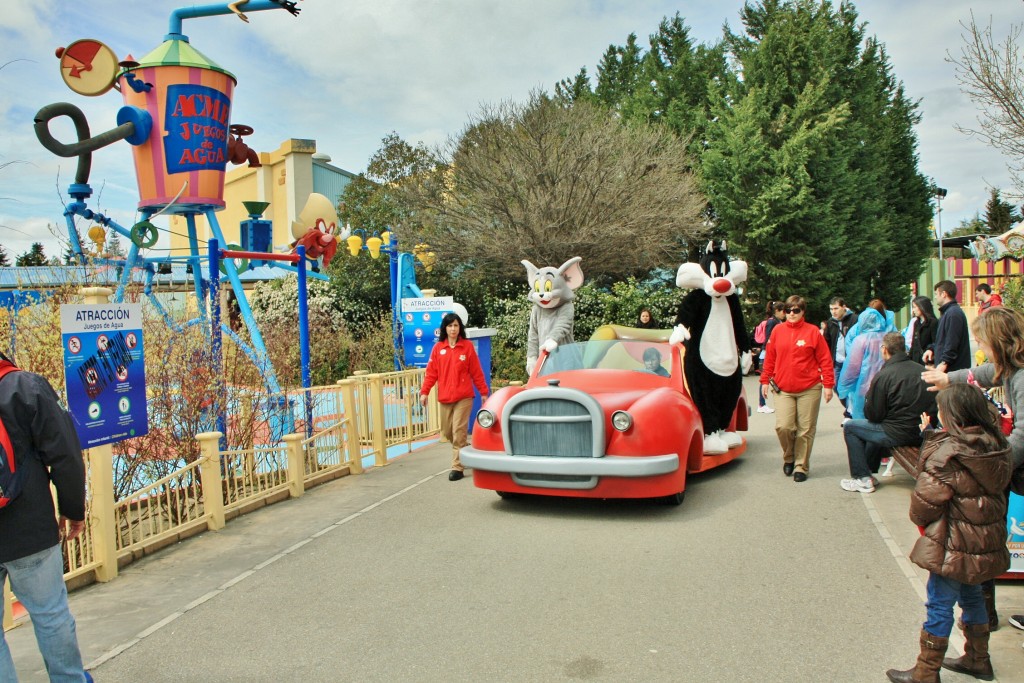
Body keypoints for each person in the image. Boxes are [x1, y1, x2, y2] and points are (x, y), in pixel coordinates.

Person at [885, 383, 1011, 683]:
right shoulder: (997, 446)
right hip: (985, 541)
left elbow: (923, 505)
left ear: (951, 414)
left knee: (939, 603)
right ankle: (978, 659)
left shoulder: (948, 454)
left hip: (952, 542)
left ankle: (926, 672)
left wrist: (930, 439)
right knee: (973, 596)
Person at [922, 306, 1024, 633]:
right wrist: (947, 378)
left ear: (1000, 340)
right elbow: (984, 373)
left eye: (982, 341)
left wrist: (994, 464)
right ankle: (981, 634)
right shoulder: (1010, 368)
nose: (980, 349)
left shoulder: (1021, 376)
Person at [0, 351, 93, 683]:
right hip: (30, 529)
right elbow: (65, 455)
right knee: (51, 616)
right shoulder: (24, 387)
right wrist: (72, 509)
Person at [839, 333, 936, 493]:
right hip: (922, 431)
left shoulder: (884, 375)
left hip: (896, 433)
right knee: (873, 428)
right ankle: (868, 473)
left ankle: (862, 478)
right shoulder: (922, 371)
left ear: (884, 350)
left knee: (851, 427)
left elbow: (873, 415)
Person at [759, 296, 835, 482]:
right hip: (783, 388)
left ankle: (801, 465)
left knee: (805, 429)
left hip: (809, 387)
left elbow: (825, 359)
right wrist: (764, 380)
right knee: (784, 427)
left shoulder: (812, 332)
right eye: (788, 310)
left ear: (803, 312)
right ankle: (789, 456)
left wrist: (828, 385)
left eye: (796, 310)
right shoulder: (777, 330)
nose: (791, 314)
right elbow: (770, 357)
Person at [420, 312, 490, 481]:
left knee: (458, 431)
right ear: (445, 328)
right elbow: (431, 373)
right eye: (450, 326)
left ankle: (457, 467)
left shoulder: (466, 347)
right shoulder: (438, 349)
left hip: (464, 397)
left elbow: (476, 372)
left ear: (460, 328)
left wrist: (483, 392)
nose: (453, 329)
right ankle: (465, 451)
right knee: (447, 432)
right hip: (445, 397)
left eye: (456, 325)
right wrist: (424, 392)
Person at [837, 307, 889, 421]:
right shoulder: (887, 337)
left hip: (864, 386)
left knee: (864, 418)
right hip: (887, 384)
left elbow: (853, 366)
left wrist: (844, 387)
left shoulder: (861, 340)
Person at [923, 280, 971, 373]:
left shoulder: (953, 314)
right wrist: (932, 349)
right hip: (950, 369)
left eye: (936, 294)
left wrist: (944, 362)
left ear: (944, 294)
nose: (935, 297)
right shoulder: (947, 313)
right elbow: (942, 340)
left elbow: (952, 341)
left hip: (953, 370)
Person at [824, 297, 858, 420]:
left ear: (844, 307)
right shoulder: (830, 322)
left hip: (851, 362)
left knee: (851, 389)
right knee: (837, 387)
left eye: (836, 308)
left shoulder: (854, 319)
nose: (834, 312)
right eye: (831, 309)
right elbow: (826, 342)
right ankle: (849, 408)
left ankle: (850, 413)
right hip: (837, 361)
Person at [756, 302, 786, 414]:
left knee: (773, 378)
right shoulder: (772, 322)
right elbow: (769, 338)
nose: (785, 313)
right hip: (768, 354)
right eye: (784, 311)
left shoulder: (778, 321)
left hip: (772, 354)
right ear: (777, 310)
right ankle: (761, 404)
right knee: (766, 379)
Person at [908, 296, 937, 367]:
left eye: (915, 307)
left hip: (927, 361)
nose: (913, 310)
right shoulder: (916, 323)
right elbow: (913, 344)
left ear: (922, 307)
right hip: (915, 361)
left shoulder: (933, 323)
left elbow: (935, 342)